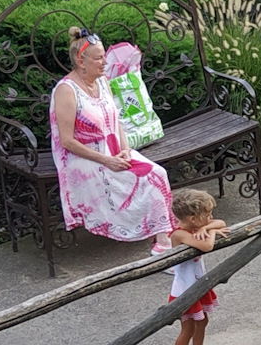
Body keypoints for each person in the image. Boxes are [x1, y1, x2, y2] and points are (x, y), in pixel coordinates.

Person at [51, 28, 174, 251]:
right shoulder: (66, 91)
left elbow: (116, 120)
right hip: (83, 157)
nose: (105, 62)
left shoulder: (102, 82)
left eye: (104, 56)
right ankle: (162, 244)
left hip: (113, 149)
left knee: (157, 173)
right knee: (135, 177)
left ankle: (158, 236)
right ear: (81, 61)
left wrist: (126, 149)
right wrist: (106, 161)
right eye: (98, 58)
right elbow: (67, 141)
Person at [163, 188, 227, 345]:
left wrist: (206, 228)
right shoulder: (179, 235)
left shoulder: (195, 229)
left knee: (203, 321)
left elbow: (222, 222)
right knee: (187, 329)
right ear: (192, 218)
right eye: (206, 215)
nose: (211, 217)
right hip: (185, 291)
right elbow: (207, 246)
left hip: (198, 286)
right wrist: (213, 231)